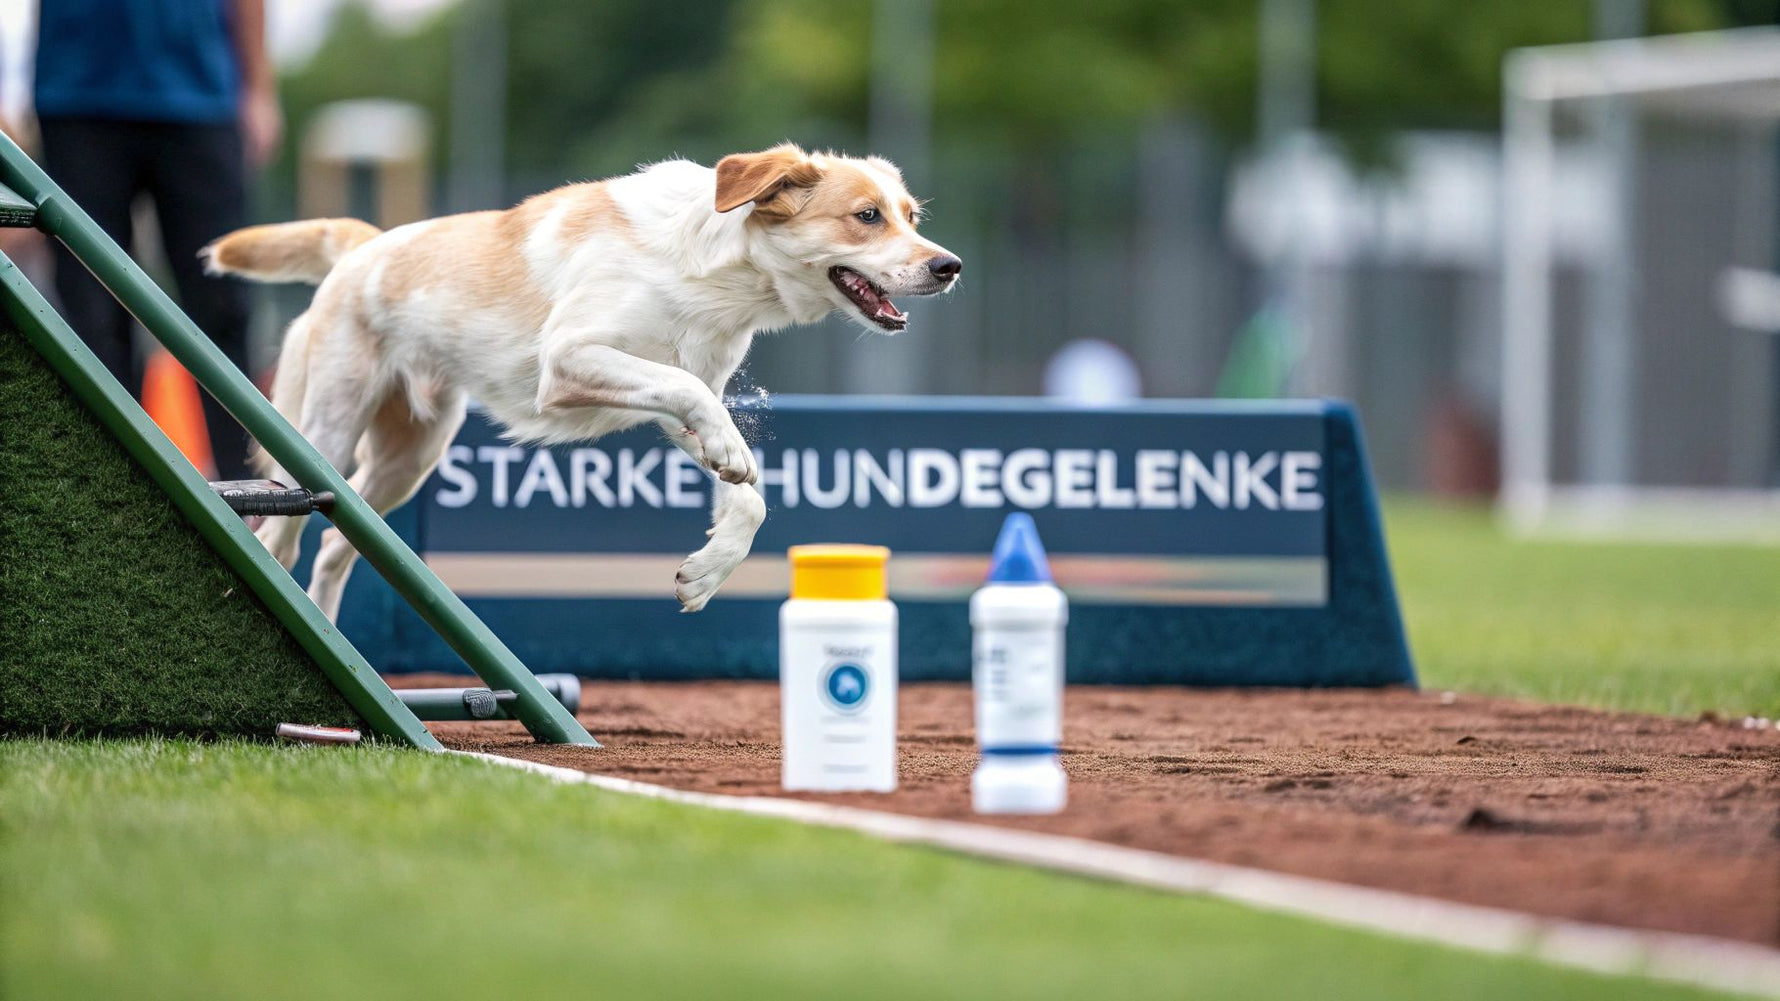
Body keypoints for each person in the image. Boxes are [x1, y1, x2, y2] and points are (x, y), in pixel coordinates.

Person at [33, 0, 282, 479]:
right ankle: (111, 498)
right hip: (75, 91)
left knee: (224, 307)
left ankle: (249, 502)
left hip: (200, 91)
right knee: (92, 318)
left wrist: (259, 87)